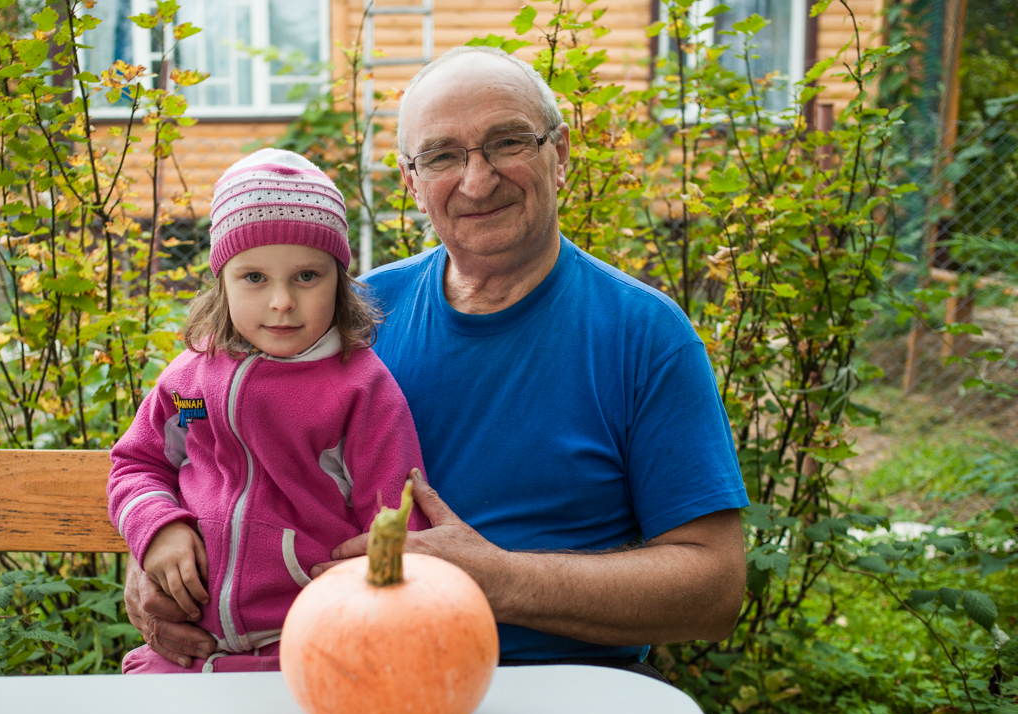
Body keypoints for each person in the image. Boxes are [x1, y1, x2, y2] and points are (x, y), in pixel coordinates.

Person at [125, 47, 748, 676]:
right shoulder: (345, 319)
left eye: (507, 143)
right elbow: (198, 445)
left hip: (558, 683)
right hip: (354, 672)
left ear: (558, 156)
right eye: (444, 156)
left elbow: (715, 586)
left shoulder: (643, 335)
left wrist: (502, 580)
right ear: (412, 183)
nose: (477, 181)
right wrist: (155, 558)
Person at [108, 148, 428, 674]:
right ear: (223, 281)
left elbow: (395, 521)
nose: (281, 301)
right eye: (254, 278)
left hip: (307, 648)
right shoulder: (190, 382)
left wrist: (361, 596)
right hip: (186, 648)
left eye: (307, 277)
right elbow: (137, 464)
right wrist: (157, 527)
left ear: (339, 280)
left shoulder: (362, 390)